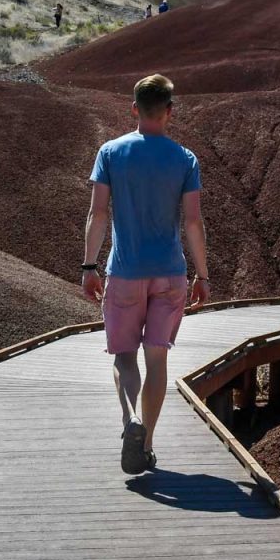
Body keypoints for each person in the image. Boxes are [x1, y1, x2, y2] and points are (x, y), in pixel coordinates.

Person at [81, 74, 210, 475]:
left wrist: (89, 266)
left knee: (124, 357)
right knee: (157, 361)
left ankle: (130, 419)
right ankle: (147, 444)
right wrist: (203, 275)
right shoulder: (185, 159)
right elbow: (193, 222)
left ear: (134, 108)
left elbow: (98, 213)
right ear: (170, 112)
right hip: (170, 274)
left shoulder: (110, 153)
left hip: (125, 271)